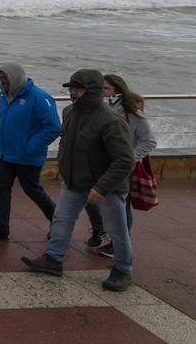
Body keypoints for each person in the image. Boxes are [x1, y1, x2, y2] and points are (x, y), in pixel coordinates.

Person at [20, 68, 136, 291]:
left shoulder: (111, 121)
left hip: (107, 188)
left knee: (116, 230)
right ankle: (53, 260)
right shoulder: (69, 113)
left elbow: (124, 160)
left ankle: (123, 269)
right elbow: (66, 143)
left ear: (92, 91)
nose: (72, 93)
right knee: (61, 219)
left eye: (77, 89)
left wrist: (101, 188)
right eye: (71, 89)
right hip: (74, 181)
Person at [0, 63, 61, 240]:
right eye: (1, 78)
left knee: (33, 190)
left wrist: (31, 146)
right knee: (0, 188)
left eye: (6, 78)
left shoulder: (39, 97)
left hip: (27, 156)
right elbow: (5, 120)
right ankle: (0, 227)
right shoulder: (3, 95)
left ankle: (60, 224)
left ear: (16, 77)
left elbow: (53, 127)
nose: (3, 81)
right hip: (5, 153)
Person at [95, 73, 156, 257]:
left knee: (121, 205)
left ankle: (119, 244)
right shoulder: (101, 109)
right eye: (101, 88)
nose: (102, 92)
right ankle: (106, 233)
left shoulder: (132, 114)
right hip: (103, 165)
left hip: (122, 167)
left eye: (106, 89)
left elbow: (149, 141)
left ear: (118, 91)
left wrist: (130, 158)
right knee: (101, 202)